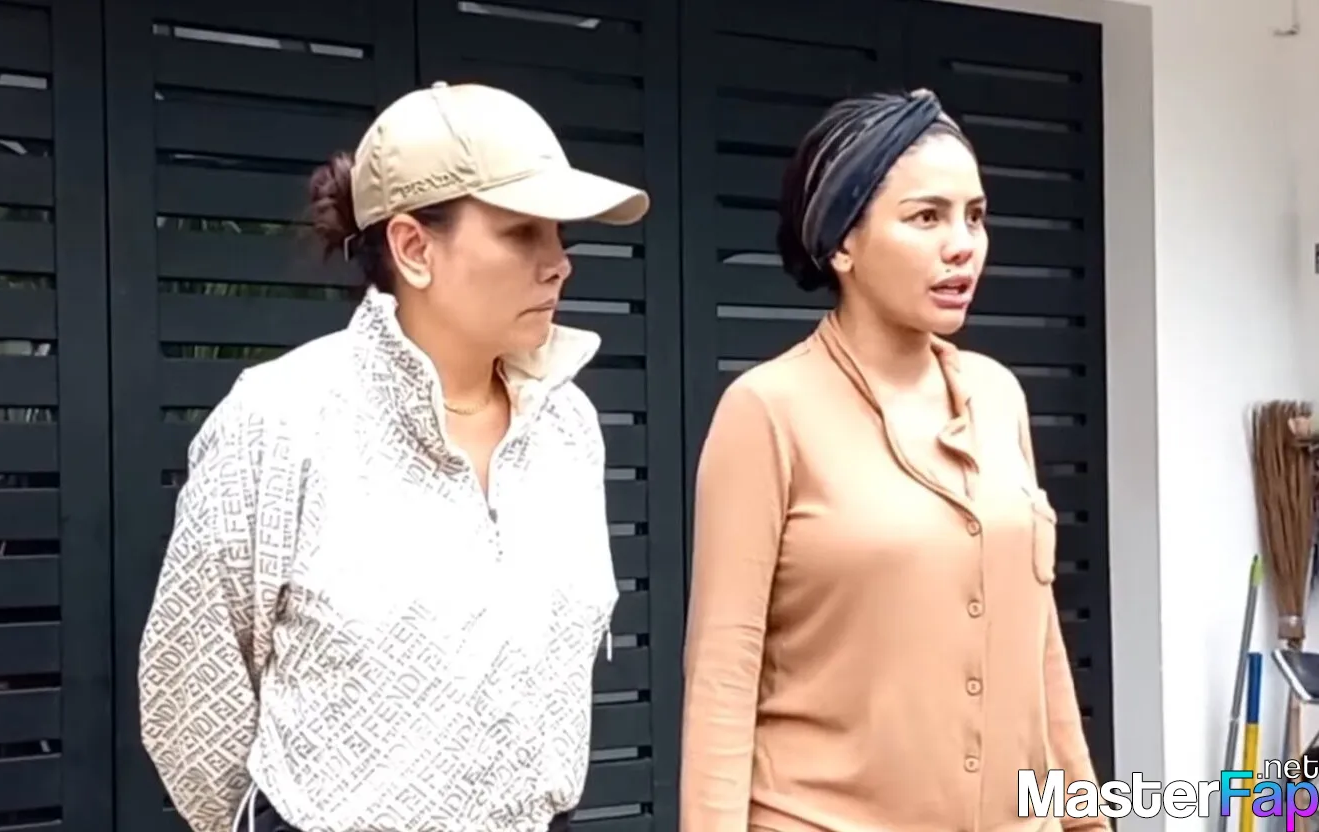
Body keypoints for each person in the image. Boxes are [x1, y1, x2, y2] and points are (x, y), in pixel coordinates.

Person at [137, 81, 651, 832]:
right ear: (414, 248)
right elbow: (192, 690)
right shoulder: (283, 419)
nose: (558, 264)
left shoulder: (567, 426)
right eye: (522, 233)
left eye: (560, 236)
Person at [679, 89, 1108, 832]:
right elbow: (723, 672)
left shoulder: (998, 395)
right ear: (842, 244)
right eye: (926, 217)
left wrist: (1086, 816)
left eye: (975, 216)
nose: (962, 245)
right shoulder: (768, 411)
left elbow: (1039, 642)